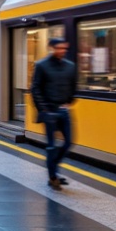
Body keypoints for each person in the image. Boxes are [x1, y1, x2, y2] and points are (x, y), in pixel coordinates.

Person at [31, 37, 77, 191]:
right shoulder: (42, 66)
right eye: (58, 48)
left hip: (64, 110)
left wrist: (69, 101)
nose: (62, 51)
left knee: (69, 142)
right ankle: (53, 176)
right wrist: (43, 109)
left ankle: (53, 166)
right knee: (51, 146)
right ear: (51, 48)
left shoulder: (70, 66)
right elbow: (35, 89)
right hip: (49, 110)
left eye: (64, 48)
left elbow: (73, 86)